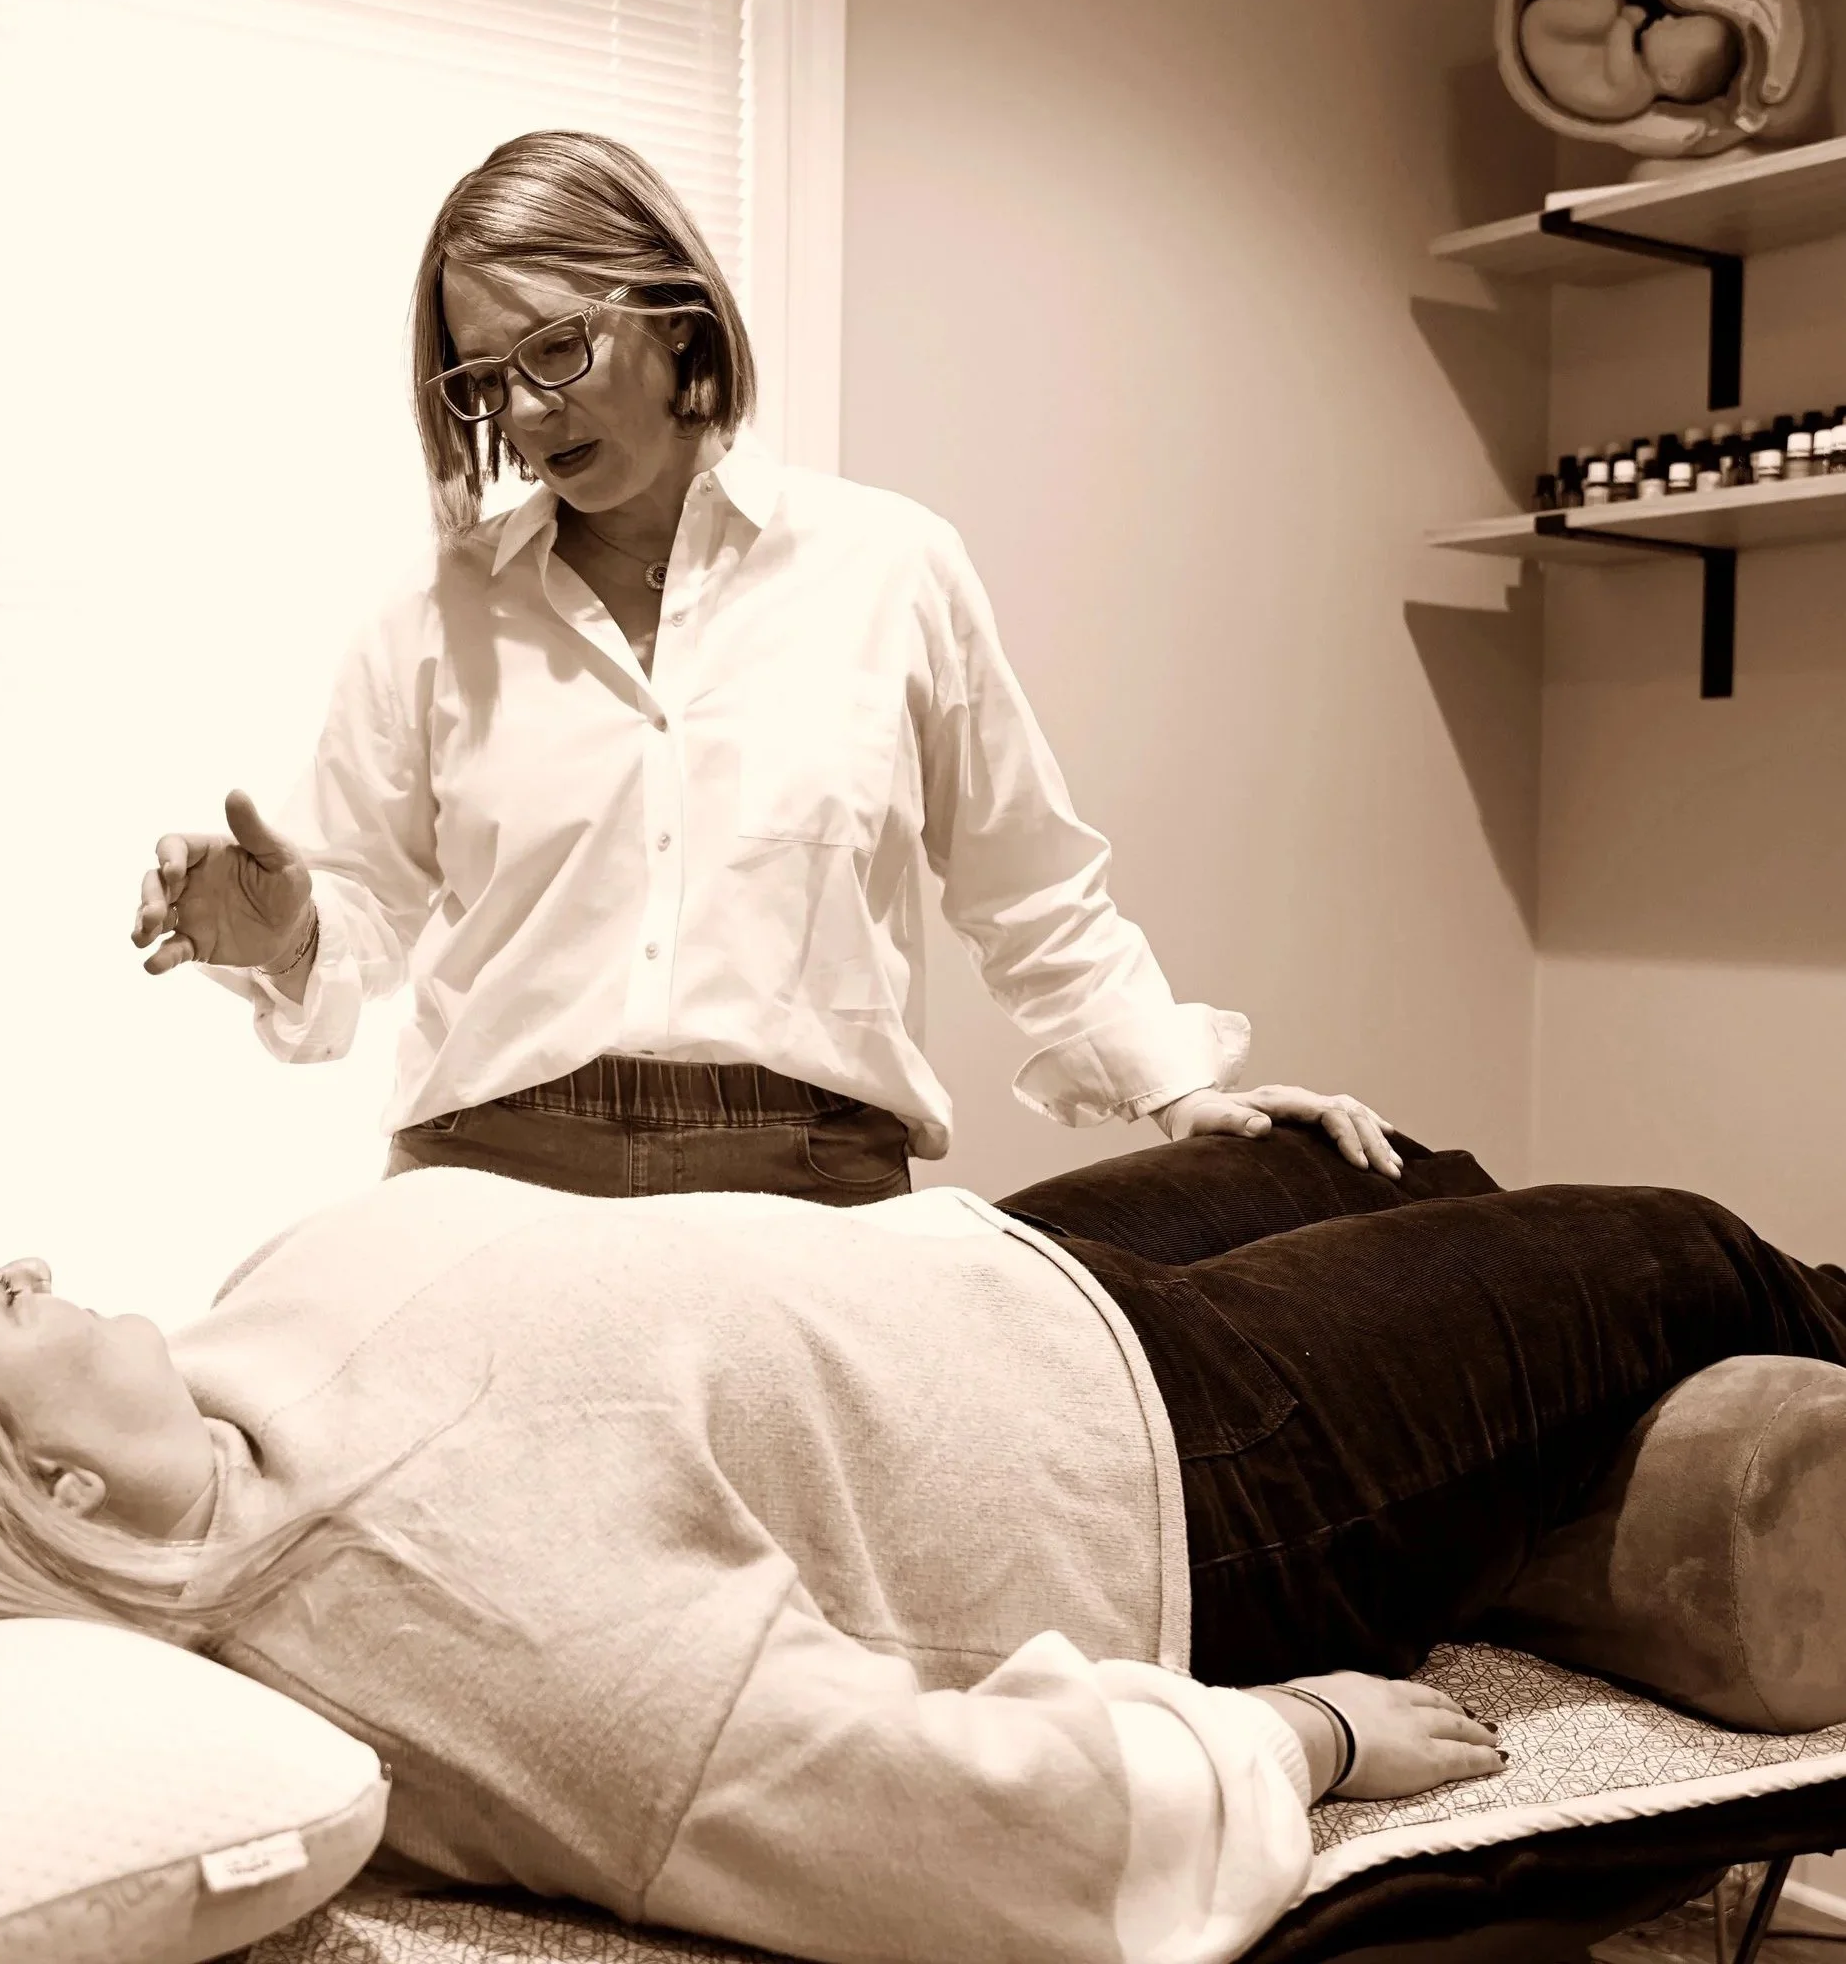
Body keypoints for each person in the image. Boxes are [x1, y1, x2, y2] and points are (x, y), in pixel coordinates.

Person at [0, 1126, 1846, 1964]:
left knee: (1364, 1152)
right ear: (41, 1492)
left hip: (991, 1267)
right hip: (1199, 1462)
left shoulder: (219, 1360)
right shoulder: (448, 1629)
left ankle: (1532, 1471)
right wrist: (1302, 1741)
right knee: (1665, 1255)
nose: (25, 1260)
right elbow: (978, 1847)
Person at [127, 129, 1400, 1204]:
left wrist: (1179, 1091)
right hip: (485, 1180)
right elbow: (359, 914)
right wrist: (289, 932)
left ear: (676, 314)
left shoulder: (891, 567)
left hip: (811, 1186)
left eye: (555, 349)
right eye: (485, 381)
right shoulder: (432, 611)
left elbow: (1028, 888)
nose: (522, 411)